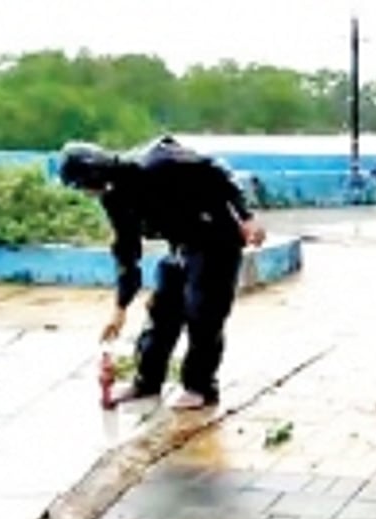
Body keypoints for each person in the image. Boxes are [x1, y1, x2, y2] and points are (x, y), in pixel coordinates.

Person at [58, 136, 266, 410]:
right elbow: (126, 250)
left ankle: (200, 387)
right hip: (182, 245)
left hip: (216, 239)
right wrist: (120, 307)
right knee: (162, 311)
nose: (86, 193)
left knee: (202, 311)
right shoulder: (115, 199)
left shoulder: (157, 162)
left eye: (83, 185)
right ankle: (146, 381)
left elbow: (218, 170)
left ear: (94, 172)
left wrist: (246, 216)